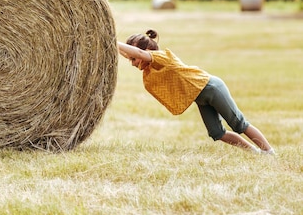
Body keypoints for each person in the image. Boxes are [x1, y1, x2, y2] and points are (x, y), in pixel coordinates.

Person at [117, 29, 275, 155]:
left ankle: (269, 151)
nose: (132, 63)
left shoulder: (162, 56)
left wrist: (113, 39)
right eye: (130, 60)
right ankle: (255, 153)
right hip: (200, 97)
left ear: (148, 50)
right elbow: (134, 54)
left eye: (133, 59)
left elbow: (138, 54)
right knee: (216, 133)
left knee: (238, 123)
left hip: (210, 87)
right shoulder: (150, 68)